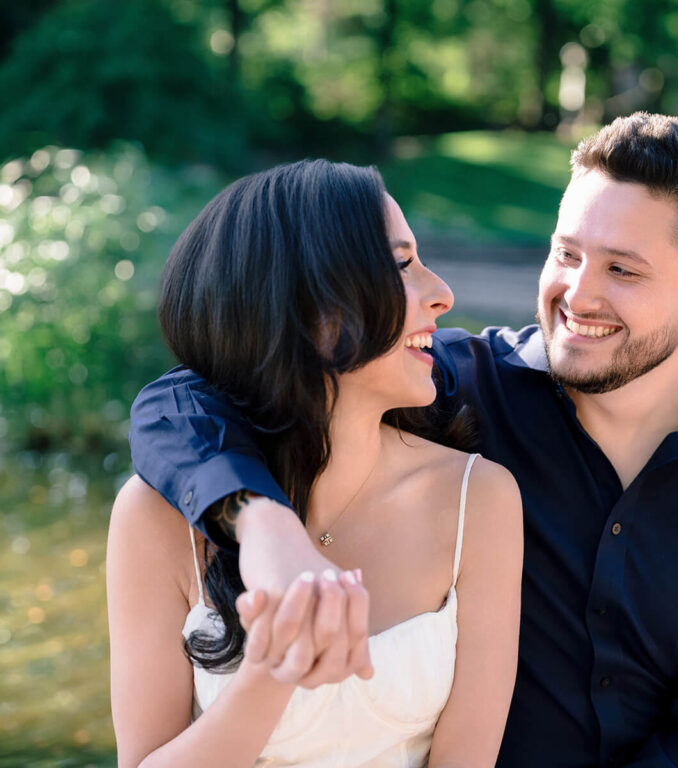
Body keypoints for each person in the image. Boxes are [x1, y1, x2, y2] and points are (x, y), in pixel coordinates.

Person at [129, 113, 678, 767]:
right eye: (567, 254)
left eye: (622, 270)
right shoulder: (456, 383)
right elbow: (183, 400)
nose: (577, 295)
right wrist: (258, 517)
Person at [107, 160, 523, 768]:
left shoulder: (478, 499)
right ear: (305, 308)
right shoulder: (153, 516)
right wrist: (273, 670)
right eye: (401, 265)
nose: (443, 293)